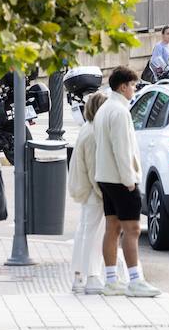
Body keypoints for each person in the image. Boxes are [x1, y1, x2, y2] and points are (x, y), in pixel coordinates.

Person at [92, 67, 161, 297]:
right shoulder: (120, 112)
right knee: (131, 229)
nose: (134, 89)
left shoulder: (104, 109)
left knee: (112, 227)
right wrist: (129, 179)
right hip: (120, 179)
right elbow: (122, 149)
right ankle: (135, 280)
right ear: (123, 86)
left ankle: (111, 279)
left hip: (105, 177)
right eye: (132, 85)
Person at [68, 92, 109, 294]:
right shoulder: (95, 133)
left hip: (85, 190)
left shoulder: (87, 129)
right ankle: (91, 276)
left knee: (84, 232)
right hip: (94, 192)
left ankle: (79, 276)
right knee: (93, 235)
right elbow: (95, 169)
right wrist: (104, 193)